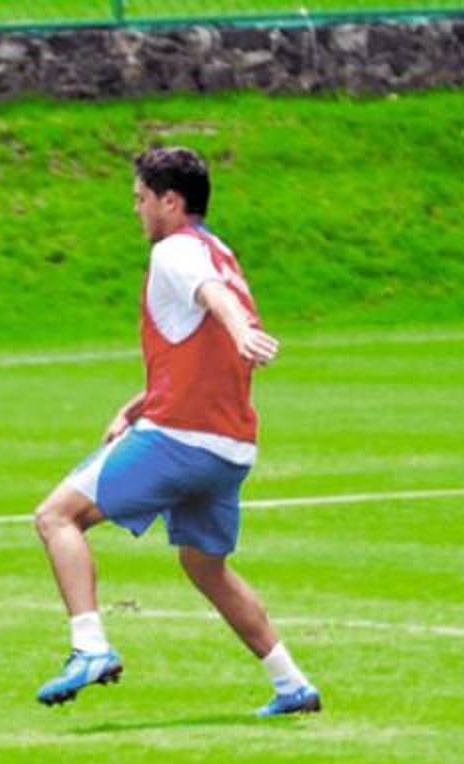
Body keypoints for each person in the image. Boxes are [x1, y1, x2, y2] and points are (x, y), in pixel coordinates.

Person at [32, 147, 321, 716]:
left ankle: (89, 647)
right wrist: (141, 402)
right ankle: (291, 685)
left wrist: (237, 330)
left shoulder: (175, 251)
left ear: (171, 201)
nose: (136, 211)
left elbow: (216, 307)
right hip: (229, 447)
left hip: (181, 440)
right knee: (202, 563)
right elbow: (209, 338)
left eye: (141, 199)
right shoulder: (221, 252)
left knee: (57, 517)